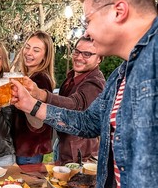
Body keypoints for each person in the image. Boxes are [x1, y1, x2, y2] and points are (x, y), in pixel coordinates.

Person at [11, 0, 158, 188]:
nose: (87, 31)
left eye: (88, 20)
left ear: (119, 11)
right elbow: (88, 122)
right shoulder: (121, 74)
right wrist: (31, 104)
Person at [23, 36, 105, 164]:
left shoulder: (95, 83)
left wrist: (40, 94)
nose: (79, 57)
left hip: (80, 157)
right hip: (63, 148)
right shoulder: (71, 77)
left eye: (87, 54)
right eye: (77, 52)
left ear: (99, 58)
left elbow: (75, 104)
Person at [13, 30, 56, 165]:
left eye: (36, 50)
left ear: (45, 56)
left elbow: (38, 122)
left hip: (29, 149)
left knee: (27, 185)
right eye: (27, 47)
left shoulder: (40, 80)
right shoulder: (31, 77)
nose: (29, 53)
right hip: (28, 148)